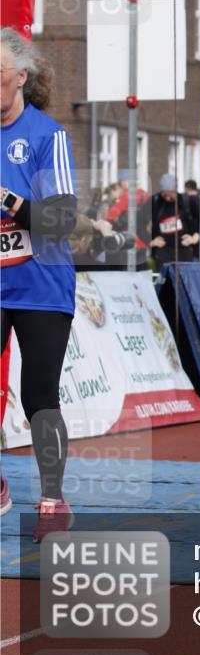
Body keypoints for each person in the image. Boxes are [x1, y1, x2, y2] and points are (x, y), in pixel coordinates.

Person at [0, 27, 77, 538]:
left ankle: (52, 495)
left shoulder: (47, 136)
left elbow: (61, 221)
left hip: (42, 283)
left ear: (20, 77)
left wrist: (8, 201)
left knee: (38, 396)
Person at [138, 173, 199, 272]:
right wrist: (150, 241)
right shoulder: (154, 201)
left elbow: (199, 221)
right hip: (162, 251)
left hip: (184, 250)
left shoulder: (185, 201)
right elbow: (139, 224)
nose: (167, 198)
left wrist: (194, 237)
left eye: (171, 195)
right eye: (164, 194)